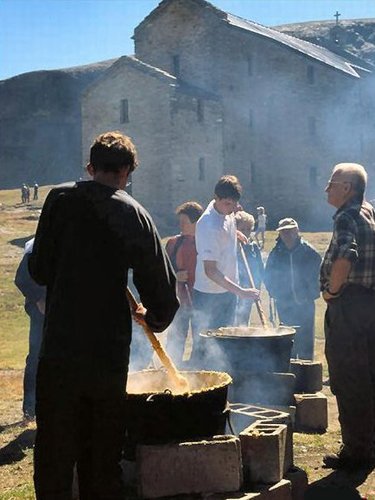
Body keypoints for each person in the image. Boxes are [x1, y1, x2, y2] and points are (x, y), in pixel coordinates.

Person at [29, 131, 179, 499]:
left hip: (60, 348)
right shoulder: (135, 214)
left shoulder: (59, 200)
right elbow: (162, 293)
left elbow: (39, 270)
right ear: (128, 171)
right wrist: (153, 316)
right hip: (106, 355)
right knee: (101, 452)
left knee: (54, 450)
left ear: (90, 166)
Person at [320, 163, 375, 470]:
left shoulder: (347, 215)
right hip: (370, 305)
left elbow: (346, 253)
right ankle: (368, 444)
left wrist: (331, 291)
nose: (327, 187)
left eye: (332, 182)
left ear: (347, 188)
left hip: (349, 308)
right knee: (368, 377)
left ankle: (357, 452)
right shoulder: (370, 212)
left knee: (350, 378)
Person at [191, 175, 259, 365]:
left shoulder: (227, 211)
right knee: (204, 347)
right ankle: (199, 389)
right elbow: (210, 271)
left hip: (227, 292)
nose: (231, 209)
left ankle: (225, 385)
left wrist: (234, 233)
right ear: (216, 197)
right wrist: (242, 291)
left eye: (234, 204)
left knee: (226, 344)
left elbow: (228, 218)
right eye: (227, 204)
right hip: (208, 295)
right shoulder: (208, 225)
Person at [264, 218, 321, 360]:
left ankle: (305, 372)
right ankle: (288, 369)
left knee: (306, 340)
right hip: (284, 304)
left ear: (297, 231)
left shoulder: (309, 252)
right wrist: (274, 292)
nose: (287, 234)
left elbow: (320, 276)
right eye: (283, 232)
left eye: (290, 231)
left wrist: (309, 295)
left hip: (305, 304)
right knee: (287, 339)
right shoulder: (276, 253)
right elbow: (268, 275)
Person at [165, 201, 203, 367]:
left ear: (196, 222)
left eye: (184, 222)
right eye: (179, 221)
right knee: (176, 340)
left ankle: (196, 372)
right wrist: (175, 276)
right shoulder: (174, 243)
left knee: (201, 342)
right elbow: (164, 270)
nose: (180, 225)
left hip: (200, 301)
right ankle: (172, 370)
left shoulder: (205, 242)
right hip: (179, 302)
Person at [15, 238, 46, 421]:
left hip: (61, 309)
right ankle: (30, 408)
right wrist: (38, 299)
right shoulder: (36, 246)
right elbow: (21, 278)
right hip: (40, 310)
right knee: (36, 355)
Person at [234, 211, 264, 326]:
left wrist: (257, 288)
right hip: (234, 291)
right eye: (242, 229)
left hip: (249, 291)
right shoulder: (230, 246)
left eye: (248, 230)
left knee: (243, 322)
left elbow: (260, 270)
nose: (246, 233)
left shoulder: (253, 247)